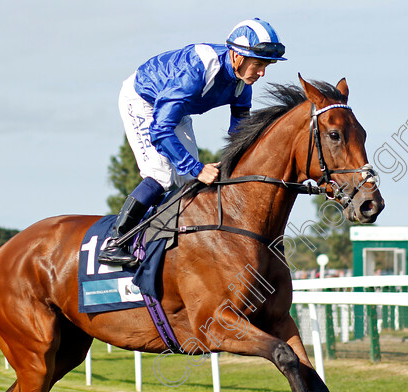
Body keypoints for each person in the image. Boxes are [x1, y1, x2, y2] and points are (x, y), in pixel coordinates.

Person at [97, 18, 286, 267]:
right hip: (143, 100)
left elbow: (239, 133)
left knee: (189, 183)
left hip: (176, 108)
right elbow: (161, 130)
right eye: (259, 64)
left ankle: (165, 240)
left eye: (266, 66)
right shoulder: (196, 70)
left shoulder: (243, 84)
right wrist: (197, 167)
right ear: (237, 56)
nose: (262, 73)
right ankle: (114, 241)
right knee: (162, 175)